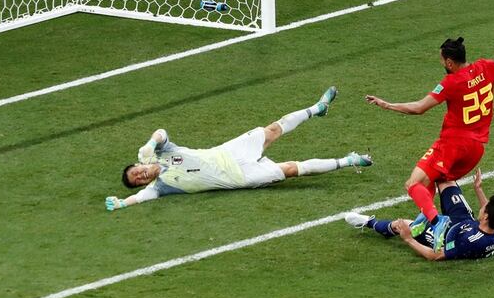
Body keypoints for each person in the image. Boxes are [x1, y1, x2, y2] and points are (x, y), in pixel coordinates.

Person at [365, 38, 494, 250]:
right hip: (475, 150)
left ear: (450, 62)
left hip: (453, 145)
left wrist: (387, 105)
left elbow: (419, 108)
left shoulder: (451, 83)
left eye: (442, 60)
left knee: (413, 184)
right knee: (437, 178)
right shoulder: (487, 66)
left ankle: (436, 220)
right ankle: (425, 215)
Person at [106, 87, 373, 211]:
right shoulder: (160, 187)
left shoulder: (158, 152)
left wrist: (150, 143)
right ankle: (348, 160)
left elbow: (161, 133)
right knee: (292, 169)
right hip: (238, 178)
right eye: (137, 180)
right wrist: (120, 203)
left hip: (229, 152)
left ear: (138, 165)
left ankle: (317, 109)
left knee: (272, 130)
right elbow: (139, 199)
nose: (141, 175)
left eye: (136, 171)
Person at [345, 168, 494, 261]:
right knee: (444, 177)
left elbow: (435, 255)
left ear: (486, 217)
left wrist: (408, 238)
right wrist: (478, 189)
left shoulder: (469, 242)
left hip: (446, 235)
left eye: (485, 208)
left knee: (402, 225)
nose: (483, 206)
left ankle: (370, 223)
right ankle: (427, 200)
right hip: (464, 220)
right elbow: (490, 211)